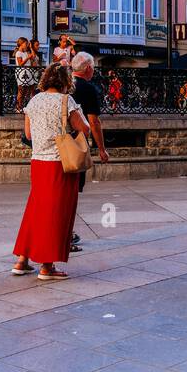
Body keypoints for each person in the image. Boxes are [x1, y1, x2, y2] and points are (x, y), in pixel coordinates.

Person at [11, 63, 91, 282]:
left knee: (35, 209)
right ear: (66, 81)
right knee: (57, 213)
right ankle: (47, 265)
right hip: (60, 163)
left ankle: (22, 260)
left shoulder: (33, 101)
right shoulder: (67, 101)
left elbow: (28, 133)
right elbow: (85, 128)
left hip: (38, 161)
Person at [70, 51, 109, 252]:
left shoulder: (63, 85)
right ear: (87, 69)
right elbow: (93, 121)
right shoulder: (88, 89)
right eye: (92, 66)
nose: (93, 70)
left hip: (55, 146)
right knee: (73, 190)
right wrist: (101, 149)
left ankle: (66, 233)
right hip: (77, 145)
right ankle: (66, 235)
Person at [15, 37, 39, 111]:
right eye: (25, 43)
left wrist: (31, 47)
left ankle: (23, 106)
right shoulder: (18, 53)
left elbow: (33, 56)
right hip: (22, 72)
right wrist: (27, 58)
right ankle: (18, 107)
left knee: (26, 91)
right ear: (21, 44)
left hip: (28, 72)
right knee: (21, 91)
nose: (26, 45)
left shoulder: (25, 52)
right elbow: (20, 64)